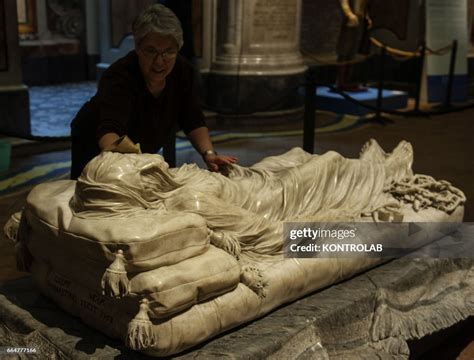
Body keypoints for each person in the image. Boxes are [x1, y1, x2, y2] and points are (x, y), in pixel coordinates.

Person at [70, 4, 237, 180]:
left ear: (177, 49)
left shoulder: (182, 70)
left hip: (139, 151)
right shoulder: (119, 77)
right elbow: (109, 132)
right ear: (137, 48)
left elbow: (192, 118)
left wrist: (209, 154)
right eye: (151, 51)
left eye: (168, 52)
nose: (159, 62)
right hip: (94, 145)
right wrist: (130, 168)